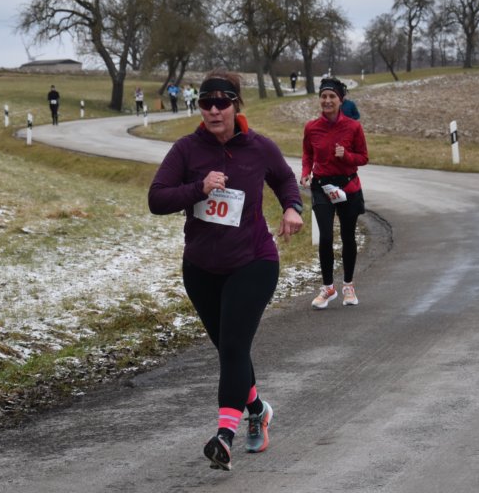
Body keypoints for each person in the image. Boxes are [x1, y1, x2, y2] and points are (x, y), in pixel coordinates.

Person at [148, 70, 303, 471]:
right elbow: (157, 199)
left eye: (222, 102)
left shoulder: (258, 147)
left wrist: (292, 208)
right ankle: (258, 409)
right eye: (207, 103)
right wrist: (198, 188)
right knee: (230, 349)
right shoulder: (186, 150)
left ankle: (224, 436)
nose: (214, 110)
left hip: (253, 261)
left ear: (236, 106)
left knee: (233, 348)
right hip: (201, 268)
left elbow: (285, 180)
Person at [300, 76, 369, 309]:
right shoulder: (312, 127)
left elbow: (363, 157)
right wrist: (306, 172)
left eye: (332, 96)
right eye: (324, 96)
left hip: (348, 187)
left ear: (341, 100)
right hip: (322, 188)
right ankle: (328, 288)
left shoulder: (353, 127)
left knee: (348, 236)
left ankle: (348, 285)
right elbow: (308, 154)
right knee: (326, 237)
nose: (327, 100)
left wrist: (346, 156)